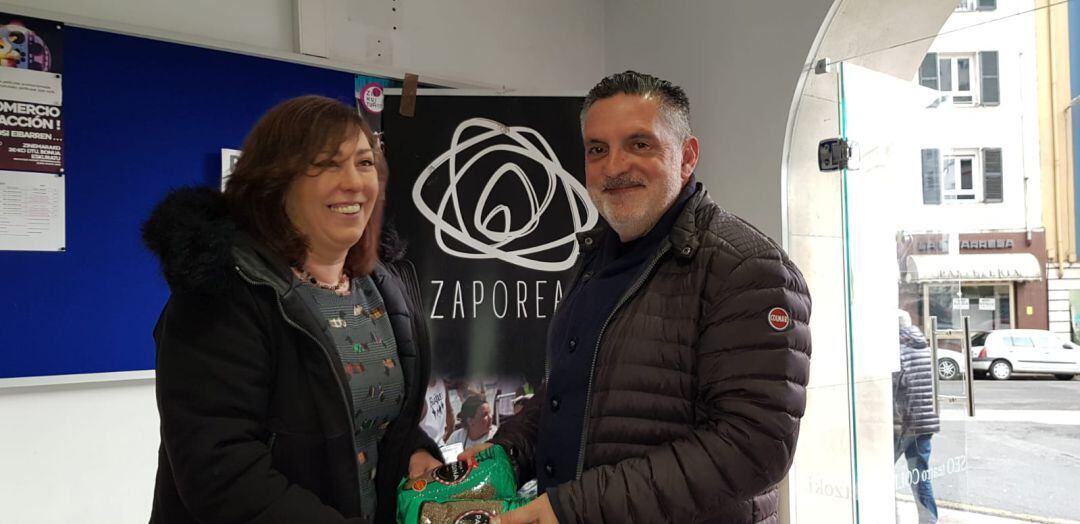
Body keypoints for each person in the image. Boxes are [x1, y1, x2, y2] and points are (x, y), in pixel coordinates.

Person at [462, 71, 812, 523]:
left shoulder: (748, 269)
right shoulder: (594, 259)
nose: (614, 167)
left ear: (686, 157)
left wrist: (572, 508)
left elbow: (754, 447)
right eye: (597, 150)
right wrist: (503, 456)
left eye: (639, 144)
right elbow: (570, 393)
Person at [143, 95, 442, 523]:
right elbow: (222, 473)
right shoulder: (222, 295)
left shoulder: (382, 286)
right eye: (327, 164)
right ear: (276, 182)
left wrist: (414, 454)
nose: (355, 183)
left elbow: (375, 423)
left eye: (363, 163)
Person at [894, 321, 941, 523]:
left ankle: (887, 515)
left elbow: (891, 389)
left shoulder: (899, 352)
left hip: (904, 423)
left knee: (878, 470)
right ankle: (929, 520)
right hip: (925, 422)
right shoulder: (926, 350)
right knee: (920, 474)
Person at [419, 376, 456, 446]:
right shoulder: (418, 392)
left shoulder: (441, 383)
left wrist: (449, 434)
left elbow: (449, 411)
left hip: (440, 445)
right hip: (424, 450)